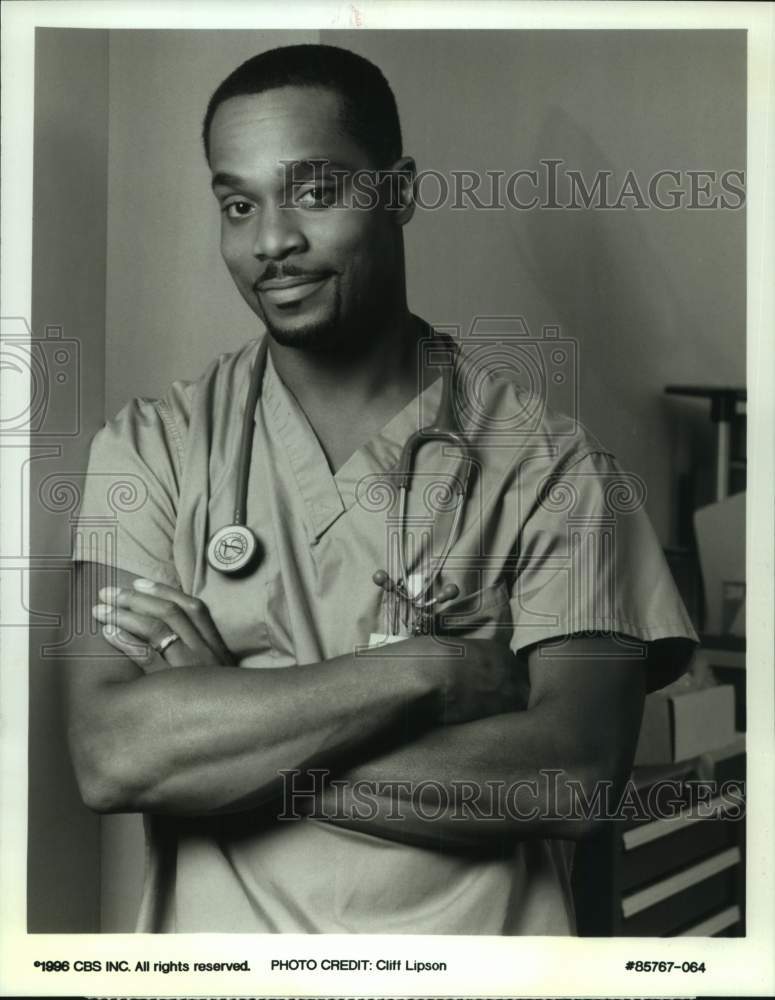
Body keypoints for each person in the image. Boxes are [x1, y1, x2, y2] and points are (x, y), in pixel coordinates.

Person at [66, 44, 698, 934]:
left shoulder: (556, 469)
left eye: (314, 193)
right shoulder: (145, 454)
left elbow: (573, 778)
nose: (271, 242)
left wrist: (232, 737)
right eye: (238, 205)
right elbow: (114, 756)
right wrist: (421, 671)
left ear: (398, 192)